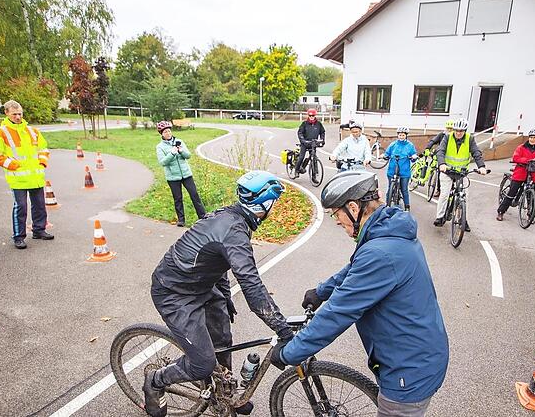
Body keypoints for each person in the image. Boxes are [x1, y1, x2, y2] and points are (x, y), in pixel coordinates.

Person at [272, 171, 449, 417]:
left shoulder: (380, 253)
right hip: (418, 355)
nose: (338, 223)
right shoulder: (388, 234)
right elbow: (355, 269)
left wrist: (289, 353)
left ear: (354, 208)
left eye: (337, 215)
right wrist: (321, 291)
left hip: (409, 373)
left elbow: (338, 313)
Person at [143, 170, 294, 417]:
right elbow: (252, 285)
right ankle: (156, 380)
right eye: (273, 204)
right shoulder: (234, 230)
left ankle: (224, 393)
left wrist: (224, 295)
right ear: (264, 204)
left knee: (222, 340)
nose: (273, 209)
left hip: (201, 283)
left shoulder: (234, 217)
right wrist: (282, 328)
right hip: (174, 292)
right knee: (202, 363)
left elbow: (215, 257)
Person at [0, 100, 53, 249]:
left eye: (20, 114)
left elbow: (43, 148)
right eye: (14, 114)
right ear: (7, 113)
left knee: (39, 205)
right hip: (18, 178)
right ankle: (19, 236)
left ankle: (39, 229)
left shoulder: (32, 131)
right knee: (21, 207)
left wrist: (42, 162)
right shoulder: (0, 133)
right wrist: (12, 165)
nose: (18, 117)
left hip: (35, 176)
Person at [433, 118, 487, 230]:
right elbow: (440, 151)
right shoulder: (447, 137)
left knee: (464, 196)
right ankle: (440, 217)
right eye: (456, 130)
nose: (458, 133)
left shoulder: (470, 139)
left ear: (465, 131)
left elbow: (476, 152)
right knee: (444, 194)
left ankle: (463, 220)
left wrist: (481, 166)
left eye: (461, 131)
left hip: (462, 173)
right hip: (447, 171)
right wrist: (442, 164)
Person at [155, 120, 207, 227]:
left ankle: (203, 217)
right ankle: (181, 220)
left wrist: (181, 150)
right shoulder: (160, 147)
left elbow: (188, 156)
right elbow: (163, 162)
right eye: (165, 132)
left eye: (169, 131)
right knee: (178, 198)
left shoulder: (179, 141)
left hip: (186, 174)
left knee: (194, 195)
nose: (168, 133)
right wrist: (172, 153)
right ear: (161, 134)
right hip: (173, 177)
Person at [496, 129, 535, 221]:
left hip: (533, 175)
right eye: (531, 137)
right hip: (520, 173)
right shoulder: (522, 147)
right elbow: (516, 157)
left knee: (531, 197)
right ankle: (501, 211)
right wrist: (527, 161)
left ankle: (531, 215)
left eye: (534, 137)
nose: (532, 139)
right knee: (512, 193)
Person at [384, 126, 418, 211]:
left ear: (406, 135)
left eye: (403, 135)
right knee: (389, 188)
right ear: (397, 135)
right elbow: (387, 153)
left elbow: (414, 154)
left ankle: (407, 206)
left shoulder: (410, 145)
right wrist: (384, 156)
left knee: (404, 189)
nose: (401, 137)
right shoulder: (393, 144)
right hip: (392, 170)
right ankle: (386, 205)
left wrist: (414, 157)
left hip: (404, 171)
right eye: (399, 135)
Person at [424, 120, 455, 198]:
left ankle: (452, 189)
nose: (449, 130)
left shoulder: (455, 136)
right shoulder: (441, 135)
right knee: (440, 172)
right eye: (448, 128)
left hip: (452, 158)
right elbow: (433, 141)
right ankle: (438, 190)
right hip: (441, 156)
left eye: (451, 128)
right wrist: (428, 148)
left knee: (453, 173)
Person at [296, 108, 325, 174]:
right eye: (310, 116)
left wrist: (322, 140)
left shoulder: (318, 124)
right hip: (305, 143)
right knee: (301, 157)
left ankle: (314, 176)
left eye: (313, 116)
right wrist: (303, 140)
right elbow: (300, 132)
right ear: (308, 116)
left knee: (314, 159)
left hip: (313, 143)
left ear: (315, 116)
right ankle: (297, 170)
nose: (311, 117)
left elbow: (322, 132)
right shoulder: (304, 123)